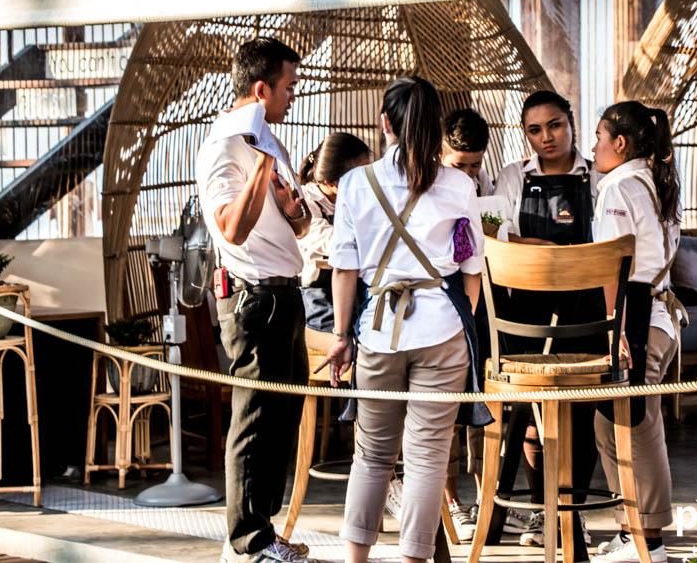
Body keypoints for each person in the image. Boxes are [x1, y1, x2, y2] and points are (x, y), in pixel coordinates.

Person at [322, 76, 489, 563]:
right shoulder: (459, 185)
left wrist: (341, 336)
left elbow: (344, 268)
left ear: (385, 123)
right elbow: (472, 268)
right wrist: (459, 319)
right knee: (427, 458)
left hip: (377, 331)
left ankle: (355, 560)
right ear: (437, 127)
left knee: (372, 455)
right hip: (441, 329)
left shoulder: (356, 184)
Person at [196, 37, 315, 563]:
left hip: (286, 290)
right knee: (255, 418)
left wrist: (293, 210)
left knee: (283, 417)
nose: (294, 95)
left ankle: (262, 532)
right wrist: (264, 165)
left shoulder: (269, 141)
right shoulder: (227, 144)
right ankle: (247, 541)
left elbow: (300, 224)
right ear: (262, 88)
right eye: (289, 86)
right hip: (253, 297)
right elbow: (231, 228)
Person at [493, 90, 603, 552]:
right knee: (531, 411)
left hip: (589, 305)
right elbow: (497, 233)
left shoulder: (598, 175)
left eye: (555, 125)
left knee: (584, 409)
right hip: (528, 308)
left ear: (571, 123)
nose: (546, 137)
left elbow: (610, 239)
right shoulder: (512, 176)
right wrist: (545, 249)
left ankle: (573, 513)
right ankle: (543, 512)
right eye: (535, 130)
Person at [590, 101, 681, 563]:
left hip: (636, 315)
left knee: (634, 424)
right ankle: (635, 535)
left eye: (599, 138)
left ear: (620, 143)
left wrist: (616, 328)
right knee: (615, 422)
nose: (593, 148)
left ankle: (650, 542)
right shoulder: (655, 179)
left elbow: (614, 264)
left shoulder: (619, 185)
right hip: (660, 314)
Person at [438, 108, 494, 540]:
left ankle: (485, 498)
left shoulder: (485, 188)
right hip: (445, 302)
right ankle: (451, 502)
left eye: (476, 165)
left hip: (482, 301)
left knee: (481, 400)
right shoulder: (431, 187)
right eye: (461, 165)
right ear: (441, 152)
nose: (470, 175)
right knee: (447, 411)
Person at [297, 132, 372, 334]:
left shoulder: (360, 198)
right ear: (331, 182)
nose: (367, 180)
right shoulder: (306, 200)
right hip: (319, 295)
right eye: (360, 175)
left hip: (356, 287)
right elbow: (325, 239)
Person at [442, 108, 495, 196]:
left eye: (475, 165)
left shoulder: (481, 179)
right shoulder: (428, 184)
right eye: (458, 165)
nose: (466, 173)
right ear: (440, 154)